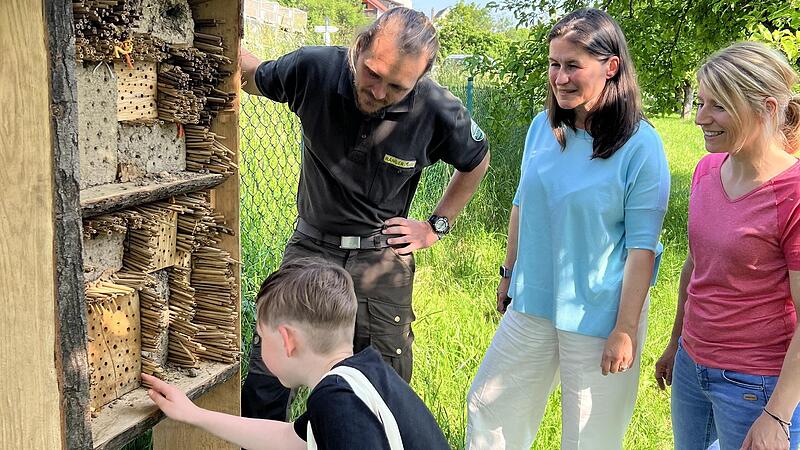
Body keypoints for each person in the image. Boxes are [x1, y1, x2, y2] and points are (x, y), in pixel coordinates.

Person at [238, 7, 490, 421]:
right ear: (359, 47)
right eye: (372, 73)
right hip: (311, 244)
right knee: (268, 370)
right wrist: (222, 40)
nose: (377, 91)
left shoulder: (438, 110)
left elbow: (476, 161)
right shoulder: (313, 70)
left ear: (420, 79)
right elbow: (252, 76)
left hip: (381, 256)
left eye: (397, 86)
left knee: (380, 387)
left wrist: (435, 225)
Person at [465, 8, 670, 449]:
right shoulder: (543, 128)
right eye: (554, 64)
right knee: (488, 406)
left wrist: (625, 329)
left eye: (573, 65)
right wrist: (508, 272)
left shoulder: (641, 145)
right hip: (533, 301)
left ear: (611, 67)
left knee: (588, 438)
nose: (560, 78)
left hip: (600, 315)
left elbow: (642, 249)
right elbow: (522, 203)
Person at [654, 41, 800, 450]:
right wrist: (675, 344)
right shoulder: (705, 170)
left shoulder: (794, 193)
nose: (700, 118)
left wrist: (777, 414)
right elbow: (696, 266)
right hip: (691, 368)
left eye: (718, 106)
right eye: (701, 102)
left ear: (767, 108)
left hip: (756, 384)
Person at [145, 258, 451, 449]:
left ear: (287, 340)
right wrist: (194, 415)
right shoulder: (362, 375)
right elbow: (290, 440)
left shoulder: (337, 401)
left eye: (261, 337)